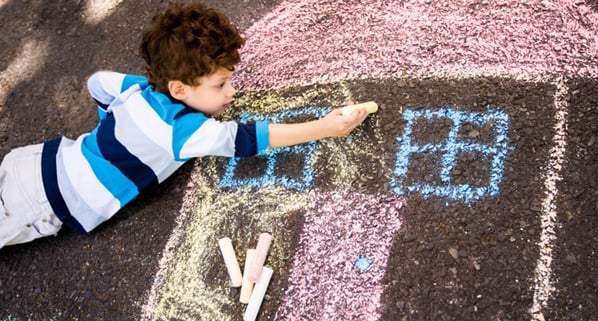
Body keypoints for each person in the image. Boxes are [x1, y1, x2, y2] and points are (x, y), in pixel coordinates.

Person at [0, 2, 369, 249]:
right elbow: (246, 140)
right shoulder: (181, 131)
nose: (231, 92)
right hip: (42, 200)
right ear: (178, 88)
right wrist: (324, 128)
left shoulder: (138, 89)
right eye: (220, 85)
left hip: (36, 162)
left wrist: (110, 127)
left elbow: (98, 83)